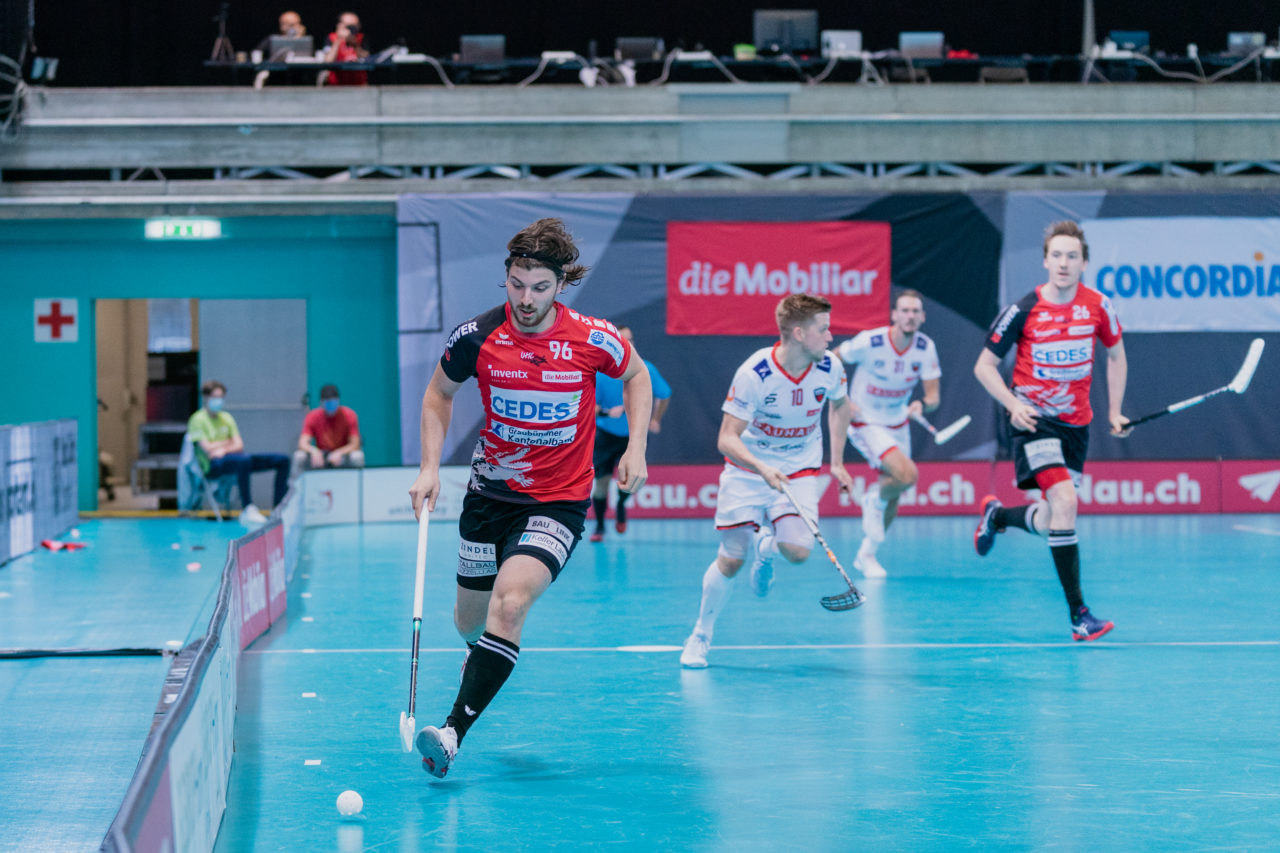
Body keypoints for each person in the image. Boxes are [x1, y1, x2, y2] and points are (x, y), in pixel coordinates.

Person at [408, 218, 653, 778]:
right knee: (468, 622)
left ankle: (450, 733)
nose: (525, 298)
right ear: (507, 277)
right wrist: (428, 468)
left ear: (561, 284)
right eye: (517, 284)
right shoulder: (476, 337)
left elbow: (636, 377)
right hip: (488, 497)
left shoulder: (594, 338)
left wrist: (635, 448)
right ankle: (486, 652)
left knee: (510, 604)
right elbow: (438, 395)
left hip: (558, 502)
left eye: (539, 287)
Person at [972, 220, 1130, 642]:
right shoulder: (1023, 309)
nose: (1063, 263)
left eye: (1072, 256)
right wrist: (1013, 404)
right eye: (1056, 255)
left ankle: (998, 516)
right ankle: (1079, 615)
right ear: (1045, 261)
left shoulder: (1099, 306)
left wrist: (1115, 411)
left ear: (1084, 263)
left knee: (1051, 518)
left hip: (1076, 426)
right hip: (1033, 421)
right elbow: (983, 366)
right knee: (1066, 501)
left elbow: (1116, 357)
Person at [679, 294, 856, 669]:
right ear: (798, 333)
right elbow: (727, 438)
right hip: (748, 470)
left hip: (800, 467)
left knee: (797, 551)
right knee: (731, 559)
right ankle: (700, 636)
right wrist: (762, 468)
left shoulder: (830, 367)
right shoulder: (754, 374)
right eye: (822, 329)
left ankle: (768, 549)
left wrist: (838, 462)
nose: (830, 336)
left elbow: (841, 406)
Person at [832, 289, 941, 578]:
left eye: (915, 311)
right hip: (865, 421)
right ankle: (871, 499)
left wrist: (922, 404)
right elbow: (831, 360)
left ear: (922, 317)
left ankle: (867, 554)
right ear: (894, 315)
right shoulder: (871, 341)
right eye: (904, 310)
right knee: (908, 476)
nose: (910, 316)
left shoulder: (925, 348)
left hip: (898, 422)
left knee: (896, 491)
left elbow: (934, 397)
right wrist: (843, 398)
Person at [589, 326, 672, 542]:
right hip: (606, 436)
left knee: (630, 481)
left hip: (632, 438)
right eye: (623, 340)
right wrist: (608, 412)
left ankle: (621, 505)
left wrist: (655, 419)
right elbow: (588, 406)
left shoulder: (646, 369)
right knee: (602, 485)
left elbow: (665, 394)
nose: (628, 344)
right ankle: (599, 526)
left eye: (631, 340)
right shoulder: (601, 372)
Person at [187, 380, 291, 522]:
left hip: (236, 459)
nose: (219, 401)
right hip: (213, 466)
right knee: (243, 460)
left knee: (282, 460)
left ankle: (278, 508)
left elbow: (239, 445)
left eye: (221, 397)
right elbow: (207, 449)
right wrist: (228, 443)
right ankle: (247, 508)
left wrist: (221, 449)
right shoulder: (197, 420)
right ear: (205, 397)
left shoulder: (227, 418)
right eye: (215, 397)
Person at [292, 383, 364, 477]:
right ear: (321, 402)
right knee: (299, 456)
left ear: (338, 401)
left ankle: (357, 486)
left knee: (357, 456)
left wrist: (339, 452)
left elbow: (355, 444)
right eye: (328, 402)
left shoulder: (349, 415)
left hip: (342, 455)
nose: (331, 405)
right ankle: (295, 488)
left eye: (333, 402)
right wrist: (314, 451)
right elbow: (302, 443)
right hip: (321, 455)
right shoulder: (313, 416)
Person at [323, 11, 368, 86]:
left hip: (358, 83)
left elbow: (366, 59)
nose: (351, 29)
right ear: (339, 25)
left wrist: (355, 44)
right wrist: (338, 40)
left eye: (354, 26)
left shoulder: (361, 38)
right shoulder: (331, 37)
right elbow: (328, 60)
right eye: (348, 26)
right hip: (336, 83)